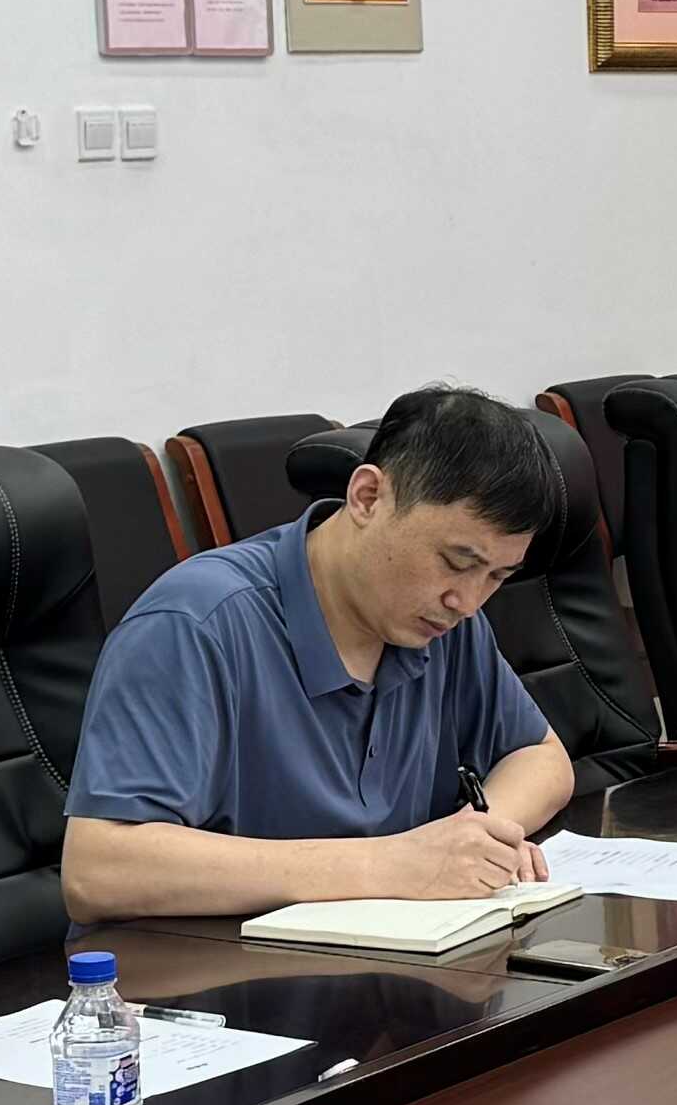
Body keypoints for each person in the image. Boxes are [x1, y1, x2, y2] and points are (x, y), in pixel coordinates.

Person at [64, 386, 579, 922]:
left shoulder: (444, 622)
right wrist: (393, 864)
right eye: (455, 561)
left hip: (390, 953)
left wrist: (477, 841)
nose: (468, 601)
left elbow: (542, 758)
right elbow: (97, 870)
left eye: (497, 576)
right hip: (214, 962)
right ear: (367, 497)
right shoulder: (194, 624)